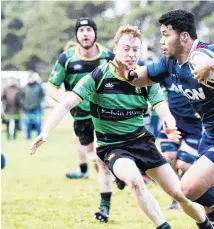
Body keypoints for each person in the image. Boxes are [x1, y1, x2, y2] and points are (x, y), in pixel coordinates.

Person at [31, 24, 213, 229]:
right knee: (135, 181)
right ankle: (163, 226)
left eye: (135, 49)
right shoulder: (99, 76)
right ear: (115, 48)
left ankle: (206, 225)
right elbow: (65, 103)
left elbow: (163, 109)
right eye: (126, 48)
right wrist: (45, 132)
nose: (131, 54)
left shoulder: (146, 78)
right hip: (112, 146)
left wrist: (169, 124)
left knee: (180, 193)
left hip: (142, 142)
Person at [110, 10, 214, 229]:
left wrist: (211, 65)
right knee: (208, 202)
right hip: (211, 135)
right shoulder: (170, 63)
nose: (161, 40)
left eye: (166, 34)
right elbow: (145, 76)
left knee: (188, 188)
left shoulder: (205, 53)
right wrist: (128, 75)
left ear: (184, 36)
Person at [46, 17, 116, 222]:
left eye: (89, 29)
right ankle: (115, 172)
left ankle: (104, 207)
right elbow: (51, 87)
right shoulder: (66, 58)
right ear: (76, 35)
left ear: (95, 33)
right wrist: (67, 100)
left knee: (100, 158)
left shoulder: (109, 56)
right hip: (80, 116)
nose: (85, 33)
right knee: (95, 159)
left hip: (104, 115)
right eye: (81, 30)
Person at [158, 76, 203, 210]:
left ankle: (185, 192)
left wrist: (206, 109)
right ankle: (176, 197)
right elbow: (151, 85)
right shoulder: (166, 70)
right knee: (169, 158)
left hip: (194, 125)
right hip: (172, 122)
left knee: (183, 164)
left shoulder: (196, 70)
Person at [21, 72, 45, 140]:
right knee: (28, 123)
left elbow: (42, 96)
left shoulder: (39, 86)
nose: (30, 79)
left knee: (38, 123)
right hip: (27, 108)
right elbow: (21, 97)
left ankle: (39, 137)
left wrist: (38, 102)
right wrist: (24, 104)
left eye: (32, 78)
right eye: (29, 78)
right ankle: (28, 137)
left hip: (37, 108)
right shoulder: (25, 87)